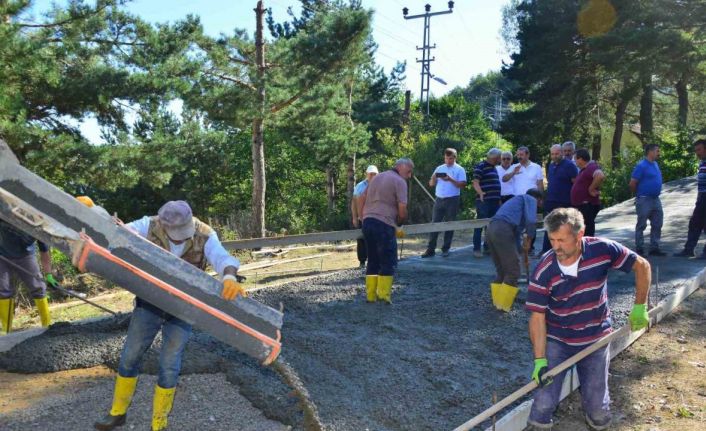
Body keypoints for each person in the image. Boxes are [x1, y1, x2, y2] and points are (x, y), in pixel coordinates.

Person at [94, 200, 245, 431]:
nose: (178, 237)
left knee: (169, 363)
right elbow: (122, 232)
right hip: (150, 301)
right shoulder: (149, 224)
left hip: (183, 308)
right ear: (163, 224)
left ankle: (159, 423)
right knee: (130, 356)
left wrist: (229, 277)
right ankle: (117, 412)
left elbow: (222, 258)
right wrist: (96, 215)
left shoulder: (205, 234)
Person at [525, 208, 650, 430]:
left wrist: (640, 307)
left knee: (597, 408)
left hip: (596, 339)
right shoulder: (545, 268)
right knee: (544, 401)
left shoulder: (602, 250)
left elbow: (642, 266)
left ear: (580, 234)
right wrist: (540, 360)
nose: (556, 247)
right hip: (558, 339)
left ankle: (598, 423)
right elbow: (537, 317)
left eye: (562, 240)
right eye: (552, 240)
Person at [358, 158, 413, 304]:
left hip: (368, 223)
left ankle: (370, 296)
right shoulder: (400, 182)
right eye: (409, 171)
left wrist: (362, 218)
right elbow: (402, 209)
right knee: (388, 260)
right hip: (384, 224)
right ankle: (384, 296)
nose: (409, 175)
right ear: (401, 167)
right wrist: (400, 224)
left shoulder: (377, 177)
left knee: (373, 260)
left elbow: (361, 198)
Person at [486, 188, 543, 312]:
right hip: (502, 229)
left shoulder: (516, 204)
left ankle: (497, 304)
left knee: (502, 271)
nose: (538, 207)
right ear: (538, 199)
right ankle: (502, 307)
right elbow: (531, 221)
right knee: (513, 271)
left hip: (491, 228)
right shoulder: (529, 199)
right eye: (540, 203)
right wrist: (530, 238)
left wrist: (522, 251)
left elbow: (516, 235)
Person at [0, 220, 55, 334]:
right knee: (3, 290)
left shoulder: (39, 227)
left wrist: (48, 274)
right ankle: (6, 331)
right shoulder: (6, 214)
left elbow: (44, 252)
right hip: (3, 256)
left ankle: (47, 325)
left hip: (26, 257)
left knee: (38, 287)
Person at [422, 148, 467, 258]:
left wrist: (450, 179)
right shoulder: (439, 168)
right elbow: (431, 184)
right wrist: (433, 177)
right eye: (446, 158)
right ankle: (430, 249)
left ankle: (445, 249)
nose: (448, 161)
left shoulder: (459, 169)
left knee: (450, 224)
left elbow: (463, 185)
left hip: (452, 199)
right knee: (434, 224)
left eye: (450, 158)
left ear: (455, 158)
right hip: (439, 199)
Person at [502, 146, 544, 254]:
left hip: (532, 200)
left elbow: (540, 184)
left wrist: (540, 198)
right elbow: (504, 179)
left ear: (527, 155)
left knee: (531, 223)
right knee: (517, 224)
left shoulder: (536, 167)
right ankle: (518, 247)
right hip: (518, 200)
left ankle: (530, 247)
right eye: (518, 155)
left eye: (521, 155)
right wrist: (513, 173)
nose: (519, 157)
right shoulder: (515, 166)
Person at [630, 144, 666, 256]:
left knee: (657, 223)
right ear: (650, 152)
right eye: (657, 151)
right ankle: (639, 248)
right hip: (644, 199)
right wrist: (639, 195)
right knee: (641, 224)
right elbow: (632, 183)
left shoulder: (655, 164)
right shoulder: (641, 166)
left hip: (656, 199)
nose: (658, 153)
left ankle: (654, 248)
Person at [542, 144, 578, 253]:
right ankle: (546, 251)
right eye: (552, 154)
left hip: (564, 202)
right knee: (548, 226)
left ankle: (566, 250)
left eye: (557, 154)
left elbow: (575, 183)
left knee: (563, 227)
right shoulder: (551, 165)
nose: (554, 156)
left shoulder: (569, 165)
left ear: (562, 153)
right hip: (551, 201)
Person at [674, 139, 706, 258]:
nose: (697, 153)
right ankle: (688, 250)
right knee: (694, 223)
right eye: (696, 150)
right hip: (702, 197)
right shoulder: (702, 162)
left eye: (699, 150)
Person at [471, 148, 501, 258]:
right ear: (495, 158)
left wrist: (498, 199)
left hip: (494, 201)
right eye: (499, 158)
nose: (500, 160)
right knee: (480, 224)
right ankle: (477, 249)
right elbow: (475, 182)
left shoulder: (494, 168)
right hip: (484, 201)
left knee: (491, 226)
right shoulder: (481, 166)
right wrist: (481, 193)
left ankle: (488, 248)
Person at [571, 148, 605, 237]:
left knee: (587, 228)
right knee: (582, 228)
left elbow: (600, 176)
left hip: (587, 205)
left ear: (581, 159)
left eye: (575, 159)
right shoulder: (584, 169)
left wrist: (591, 189)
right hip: (582, 205)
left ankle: (588, 246)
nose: (575, 162)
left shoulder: (591, 167)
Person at [351, 165, 378, 267]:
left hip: (376, 217)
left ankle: (374, 261)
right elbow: (353, 203)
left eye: (375, 174)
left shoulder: (381, 185)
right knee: (361, 239)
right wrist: (354, 217)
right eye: (371, 174)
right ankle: (362, 261)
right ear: (367, 174)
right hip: (362, 217)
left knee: (375, 238)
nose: (373, 176)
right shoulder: (360, 186)